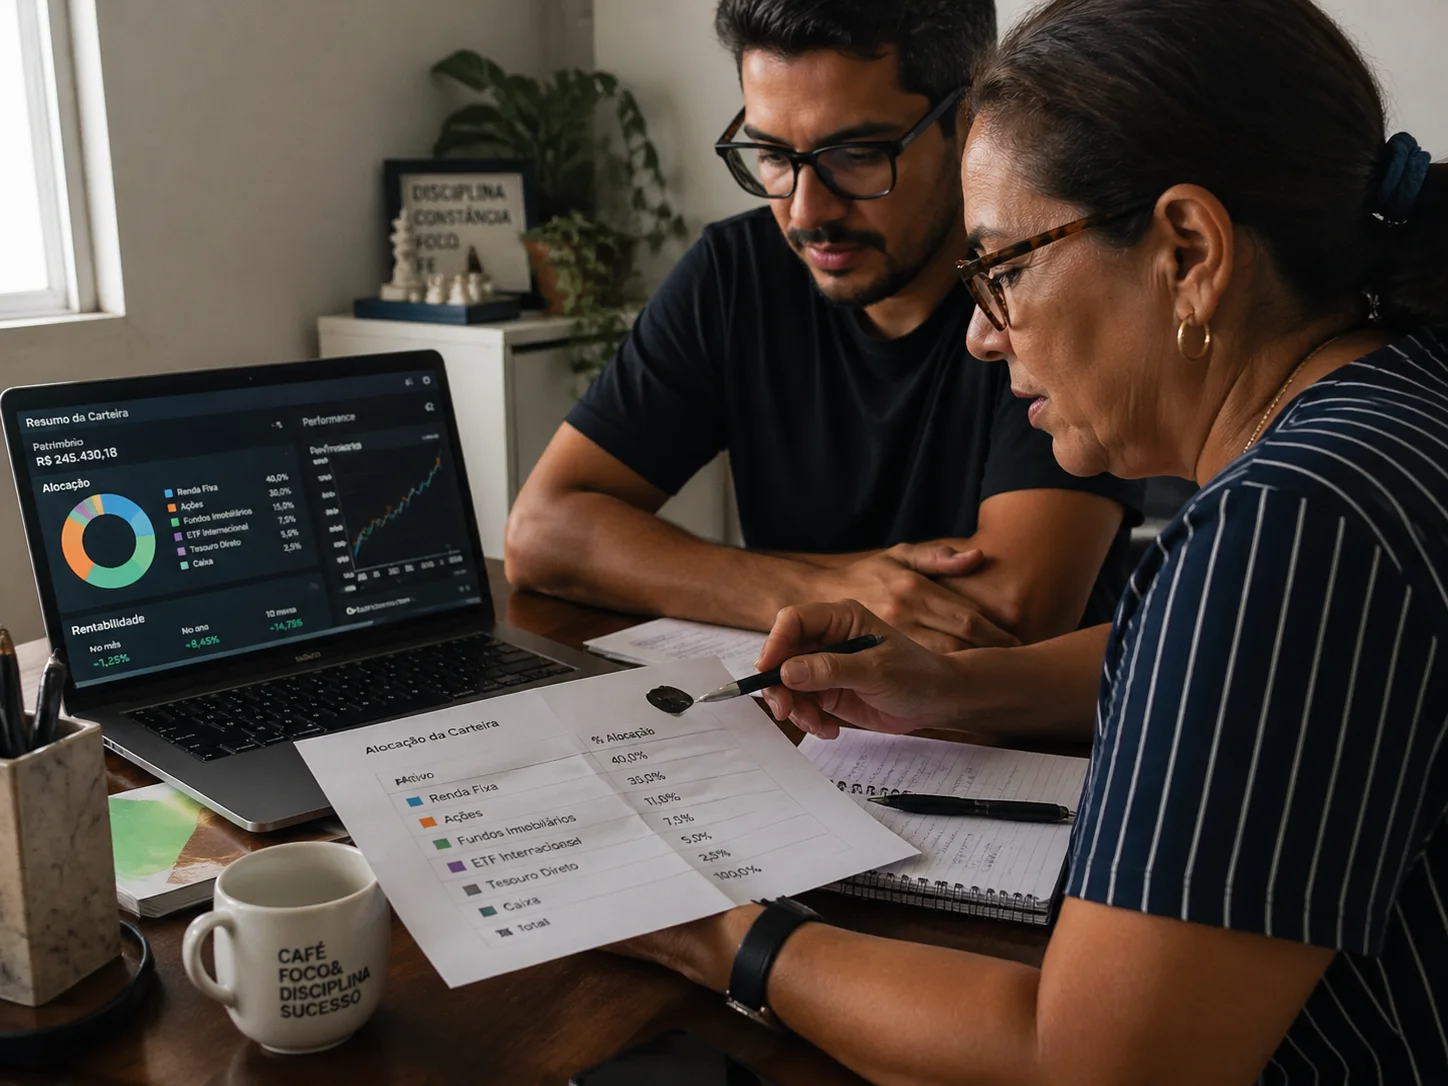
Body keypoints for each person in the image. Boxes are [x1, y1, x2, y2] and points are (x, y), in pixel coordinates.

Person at [610, 0, 1448, 1081]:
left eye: (1003, 269)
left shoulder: (1291, 525)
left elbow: (1091, 1062)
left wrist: (712, 931)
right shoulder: (1392, 404)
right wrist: (955, 690)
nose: (979, 332)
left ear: (1188, 250)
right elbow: (1253, 673)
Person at [504, 0, 1144, 654]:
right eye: (772, 155)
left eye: (857, 154)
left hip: (1024, 719)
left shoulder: (1046, 281)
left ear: (967, 121)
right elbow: (542, 533)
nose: (807, 212)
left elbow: (1009, 612)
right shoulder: (736, 272)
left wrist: (728, 578)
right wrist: (813, 590)